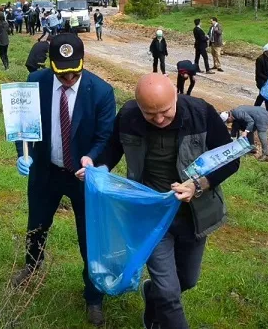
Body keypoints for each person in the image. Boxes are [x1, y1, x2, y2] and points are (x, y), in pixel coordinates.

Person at [102, 74, 240, 329]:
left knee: (186, 280)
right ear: (139, 106)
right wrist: (96, 167)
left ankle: (151, 298)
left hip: (193, 214)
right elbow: (112, 149)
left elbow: (231, 159)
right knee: (169, 292)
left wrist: (198, 185)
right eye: (150, 114)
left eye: (164, 112)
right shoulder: (129, 116)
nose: (158, 119)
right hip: (152, 215)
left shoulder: (202, 113)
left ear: (176, 96)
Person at [12, 33, 116, 326]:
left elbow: (105, 136)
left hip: (84, 178)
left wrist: (93, 158)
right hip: (46, 171)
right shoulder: (36, 85)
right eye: (62, 72)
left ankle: (93, 295)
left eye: (74, 71)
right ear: (52, 64)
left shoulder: (101, 92)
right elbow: (22, 126)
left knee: (90, 237)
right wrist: (22, 152)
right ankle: (32, 267)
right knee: (36, 226)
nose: (69, 77)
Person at [254, 43, 268, 122]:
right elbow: (258, 73)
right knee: (263, 97)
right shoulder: (260, 59)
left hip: (267, 81)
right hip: (261, 82)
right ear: (267, 51)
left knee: (265, 97)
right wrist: (266, 78)